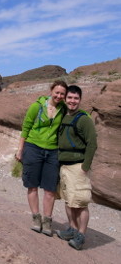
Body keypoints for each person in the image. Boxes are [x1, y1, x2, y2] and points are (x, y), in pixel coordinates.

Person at [15, 80, 68, 236]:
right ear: (51, 91)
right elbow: (26, 127)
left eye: (62, 94)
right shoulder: (36, 106)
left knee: (50, 188)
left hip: (52, 151)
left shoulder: (63, 109)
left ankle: (47, 221)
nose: (59, 96)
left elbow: (78, 113)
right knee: (32, 185)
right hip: (33, 147)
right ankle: (36, 218)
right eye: (57, 92)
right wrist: (20, 150)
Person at [56, 85, 97, 250]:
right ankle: (72, 229)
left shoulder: (84, 119)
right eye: (70, 98)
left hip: (78, 167)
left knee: (80, 203)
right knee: (69, 200)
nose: (72, 101)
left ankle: (81, 235)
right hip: (65, 166)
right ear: (65, 99)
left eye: (76, 98)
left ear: (80, 100)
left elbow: (92, 143)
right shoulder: (64, 116)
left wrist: (85, 166)